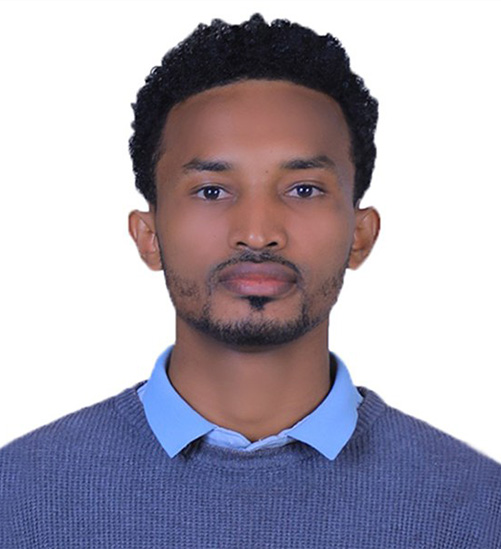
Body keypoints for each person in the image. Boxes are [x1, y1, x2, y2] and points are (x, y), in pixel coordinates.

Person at [1, 13, 499, 548]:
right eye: (211, 191)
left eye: (304, 189)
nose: (257, 233)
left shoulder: (480, 507)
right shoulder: (17, 497)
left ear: (360, 235)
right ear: (148, 236)